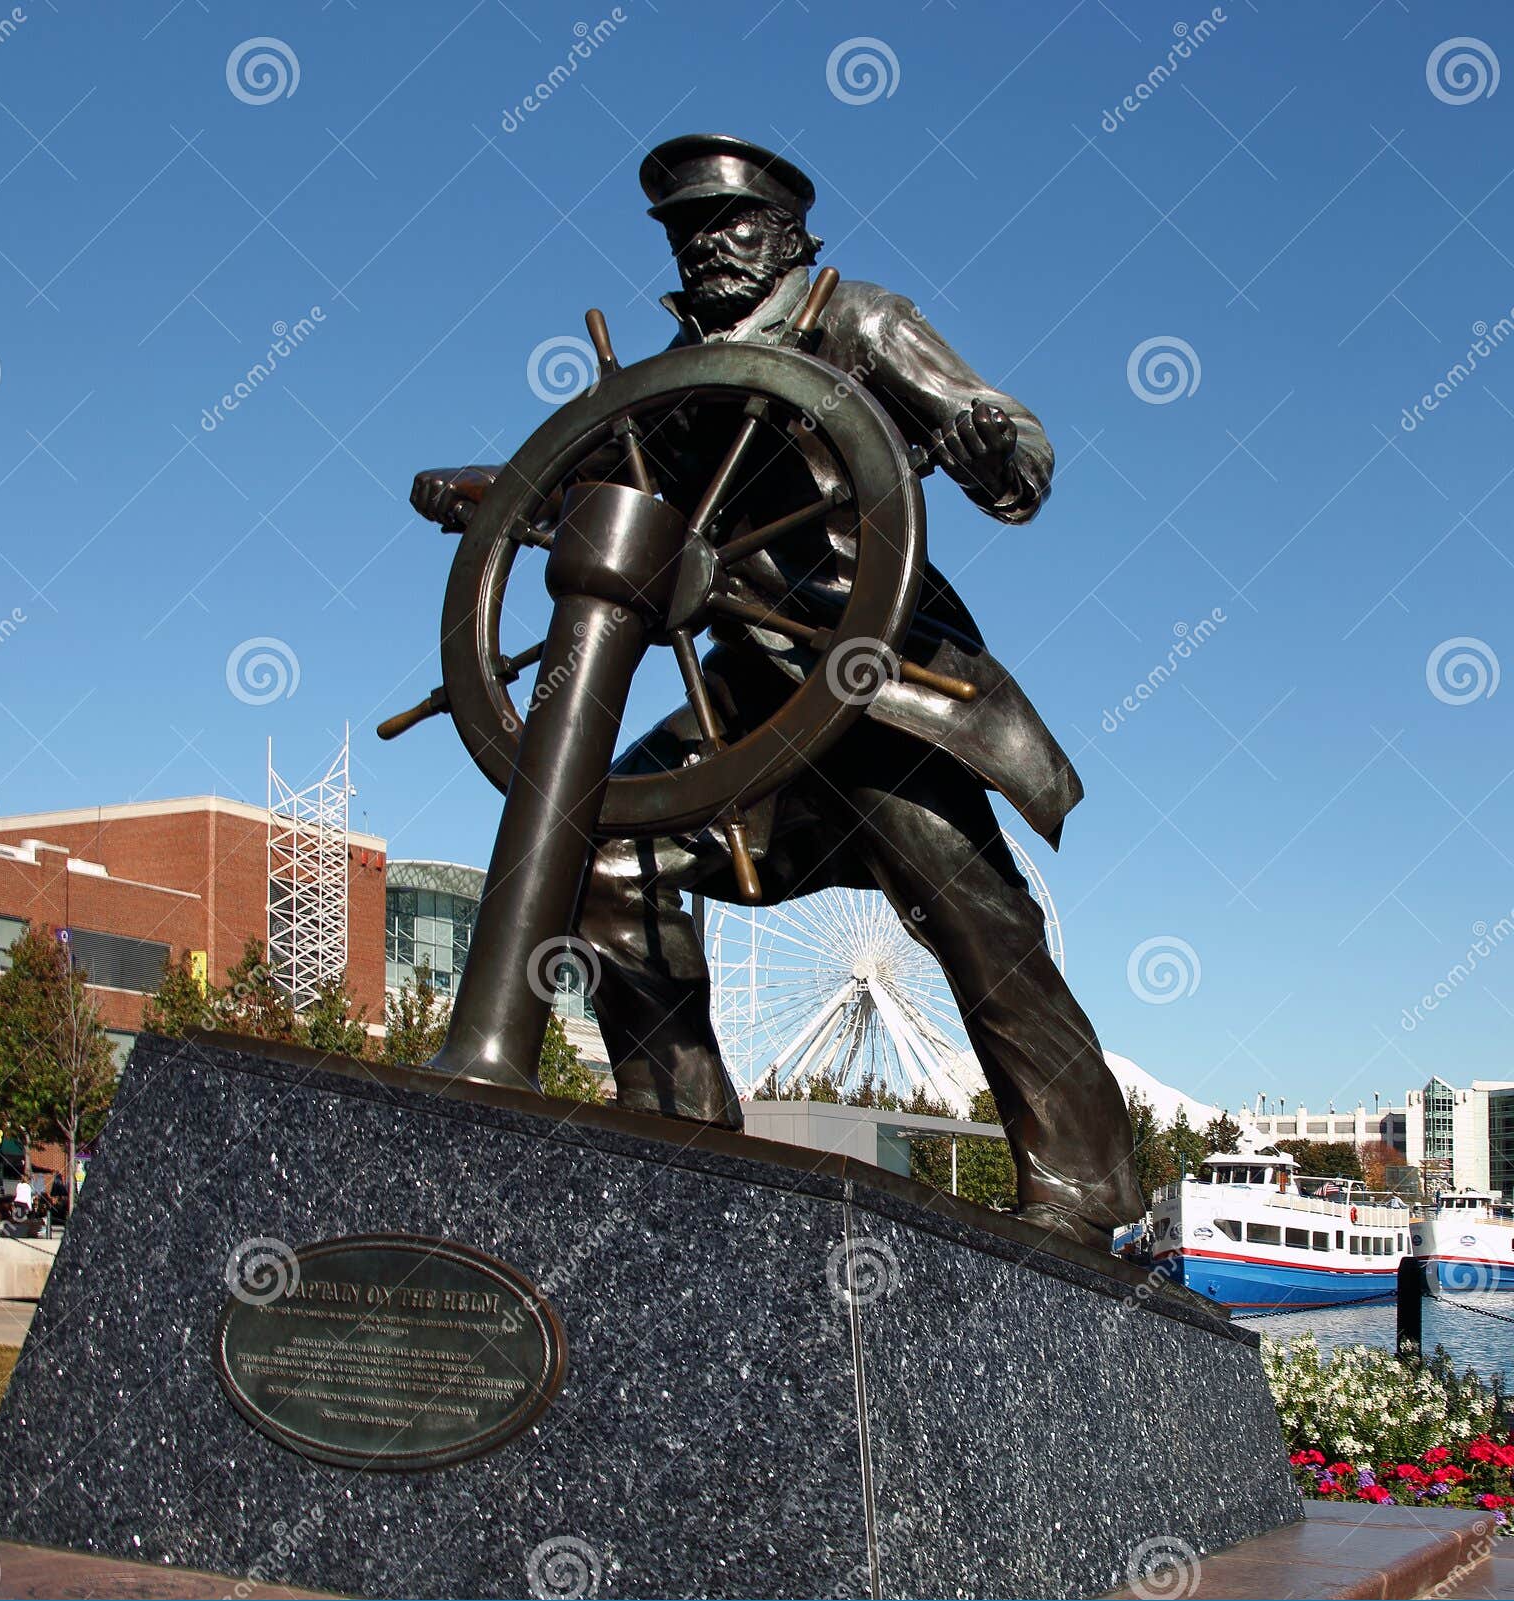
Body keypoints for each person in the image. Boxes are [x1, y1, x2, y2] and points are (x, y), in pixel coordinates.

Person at [410, 136, 1142, 1251]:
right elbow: (606, 493)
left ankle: (1086, 1185)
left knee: (977, 926)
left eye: (731, 225)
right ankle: (685, 1141)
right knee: (609, 851)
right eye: (683, 231)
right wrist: (502, 494)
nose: (707, 246)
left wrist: (989, 444)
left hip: (882, 692)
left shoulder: (861, 324)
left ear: (794, 234)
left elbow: (1012, 449)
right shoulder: (672, 376)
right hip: (746, 720)